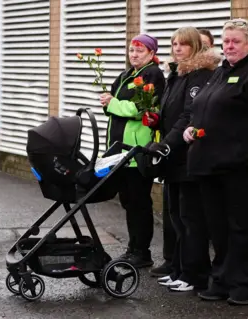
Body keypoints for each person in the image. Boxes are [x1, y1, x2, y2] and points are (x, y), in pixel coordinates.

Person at [184, 18, 248, 305]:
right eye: (226, 41)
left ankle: (246, 285)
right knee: (219, 229)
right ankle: (222, 279)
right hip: (210, 163)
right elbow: (203, 107)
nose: (229, 46)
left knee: (243, 227)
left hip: (241, 164)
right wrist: (192, 127)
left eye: (235, 41)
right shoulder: (219, 72)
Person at [150, 26, 219, 292]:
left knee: (191, 219)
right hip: (173, 157)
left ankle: (195, 274)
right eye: (174, 43)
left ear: (195, 47)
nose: (177, 48)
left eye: (183, 44)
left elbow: (188, 115)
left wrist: (166, 144)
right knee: (176, 217)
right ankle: (179, 268)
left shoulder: (199, 75)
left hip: (188, 156)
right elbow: (170, 111)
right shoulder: (177, 74)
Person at [99, 34, 165, 267]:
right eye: (131, 50)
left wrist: (113, 104)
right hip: (119, 150)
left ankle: (141, 251)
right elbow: (116, 107)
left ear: (151, 53)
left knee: (139, 202)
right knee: (128, 201)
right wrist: (108, 103)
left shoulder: (153, 75)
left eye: (139, 51)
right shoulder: (126, 75)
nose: (134, 55)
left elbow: (142, 108)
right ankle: (133, 247)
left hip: (137, 151)